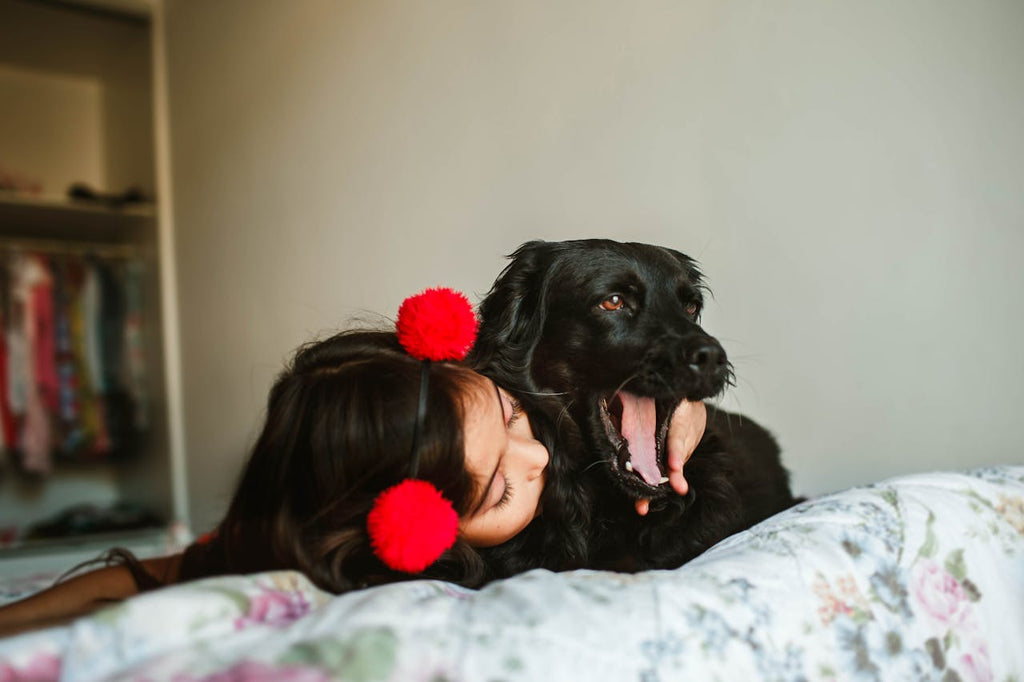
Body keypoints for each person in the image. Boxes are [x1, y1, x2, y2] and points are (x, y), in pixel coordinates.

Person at [0, 289, 705, 636]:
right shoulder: (301, 569)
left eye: (514, 416)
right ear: (412, 533)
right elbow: (158, 574)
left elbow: (622, 387)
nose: (536, 458)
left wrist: (681, 411)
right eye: (496, 489)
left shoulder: (520, 423)